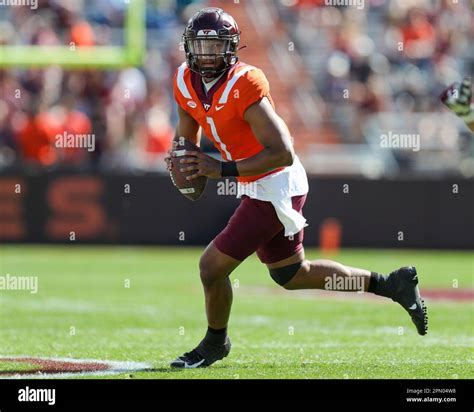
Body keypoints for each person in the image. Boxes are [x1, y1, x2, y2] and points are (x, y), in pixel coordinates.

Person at [165, 7, 428, 369]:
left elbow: (283, 153)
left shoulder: (245, 83)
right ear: (188, 47)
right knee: (291, 275)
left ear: (231, 48)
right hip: (257, 183)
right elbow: (186, 139)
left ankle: (214, 343)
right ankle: (390, 285)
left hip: (275, 184)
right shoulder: (183, 81)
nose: (207, 56)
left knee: (211, 267)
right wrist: (183, 163)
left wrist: (219, 169)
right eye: (201, 46)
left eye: (215, 47)